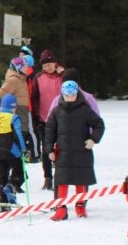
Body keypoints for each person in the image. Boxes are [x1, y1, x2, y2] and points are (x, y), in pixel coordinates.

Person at [44, 81, 105, 220]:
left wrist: (93, 139)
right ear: (62, 94)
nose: (70, 98)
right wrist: (49, 149)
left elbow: (99, 125)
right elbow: (49, 131)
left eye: (73, 95)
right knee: (62, 181)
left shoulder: (85, 110)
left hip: (82, 152)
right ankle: (61, 208)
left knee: (81, 180)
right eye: (67, 95)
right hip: (62, 153)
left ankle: (80, 206)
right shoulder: (56, 111)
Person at [0, 55, 33, 191]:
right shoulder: (13, 81)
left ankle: (11, 187)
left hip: (21, 124)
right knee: (14, 159)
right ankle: (10, 186)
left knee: (19, 161)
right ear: (18, 67)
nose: (28, 69)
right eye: (25, 66)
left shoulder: (21, 80)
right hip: (14, 125)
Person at [30, 49, 65, 190]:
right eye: (44, 66)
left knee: (61, 148)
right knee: (46, 149)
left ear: (55, 63)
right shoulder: (38, 78)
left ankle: (60, 175)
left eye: (49, 65)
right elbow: (34, 97)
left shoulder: (63, 76)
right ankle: (48, 177)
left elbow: (73, 87)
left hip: (62, 118)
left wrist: (63, 73)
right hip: (44, 119)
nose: (47, 68)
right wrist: (36, 117)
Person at [0, 94, 27, 212]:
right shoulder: (14, 118)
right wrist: (23, 149)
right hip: (12, 152)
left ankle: (4, 203)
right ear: (13, 107)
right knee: (20, 173)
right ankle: (12, 186)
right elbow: (18, 135)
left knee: (2, 177)